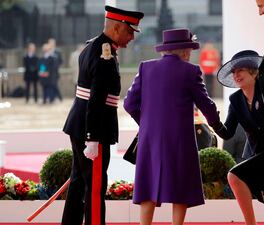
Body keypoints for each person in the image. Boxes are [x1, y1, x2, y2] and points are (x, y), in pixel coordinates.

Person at [123, 28, 223, 225]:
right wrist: (218, 126)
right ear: (185, 51)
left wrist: (146, 124)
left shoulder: (145, 68)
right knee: (181, 185)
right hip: (180, 138)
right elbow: (206, 104)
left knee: (149, 184)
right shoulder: (190, 71)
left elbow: (128, 104)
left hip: (149, 138)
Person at [62, 6, 144, 225]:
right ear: (117, 28)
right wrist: (92, 137)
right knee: (95, 186)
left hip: (79, 124)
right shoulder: (103, 53)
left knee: (79, 182)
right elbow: (96, 99)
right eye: (129, 32)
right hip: (92, 128)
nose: (131, 38)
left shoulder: (93, 47)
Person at [214, 50, 264, 224]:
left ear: (253, 71)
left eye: (240, 70)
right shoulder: (235, 100)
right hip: (258, 156)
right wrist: (214, 121)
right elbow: (227, 132)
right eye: (234, 72)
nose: (236, 75)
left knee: (234, 176)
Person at [48, 38, 63, 102]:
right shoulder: (48, 51)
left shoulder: (58, 51)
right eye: (50, 43)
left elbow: (61, 61)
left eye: (52, 43)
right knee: (51, 85)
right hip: (49, 72)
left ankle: (59, 97)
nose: (51, 44)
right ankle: (53, 98)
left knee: (54, 84)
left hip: (55, 71)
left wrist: (56, 66)